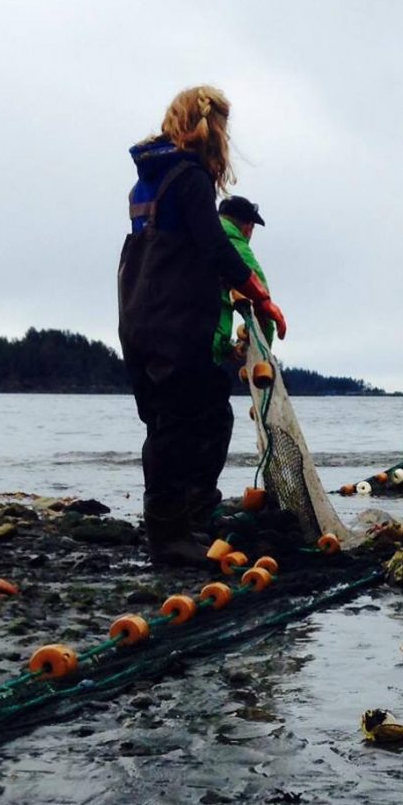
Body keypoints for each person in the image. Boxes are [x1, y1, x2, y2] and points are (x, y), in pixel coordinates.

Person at [119, 87, 287, 564]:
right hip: (174, 318)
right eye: (223, 129)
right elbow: (215, 247)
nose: (225, 140)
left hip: (137, 312)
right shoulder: (189, 178)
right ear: (208, 126)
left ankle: (176, 523)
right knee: (184, 421)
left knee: (170, 419)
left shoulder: (146, 182)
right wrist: (262, 299)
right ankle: (171, 534)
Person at [212, 195, 272, 363]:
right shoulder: (238, 250)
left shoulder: (196, 238)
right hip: (203, 355)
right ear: (248, 227)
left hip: (162, 345)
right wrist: (263, 358)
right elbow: (264, 313)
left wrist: (228, 349)